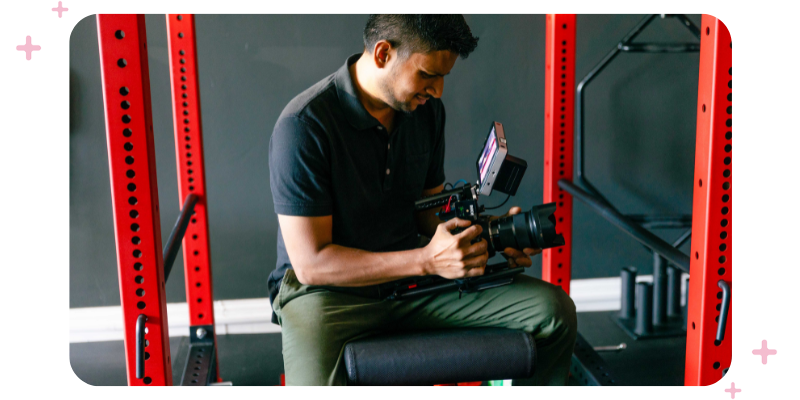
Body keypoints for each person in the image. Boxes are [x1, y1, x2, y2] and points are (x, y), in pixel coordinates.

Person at [268, 14, 576, 386]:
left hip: (416, 283)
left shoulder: (426, 112)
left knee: (553, 311)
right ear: (383, 54)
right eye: (428, 75)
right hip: (330, 296)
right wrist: (426, 261)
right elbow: (312, 265)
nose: (438, 90)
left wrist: (487, 237)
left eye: (444, 77)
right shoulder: (304, 126)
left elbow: (429, 217)